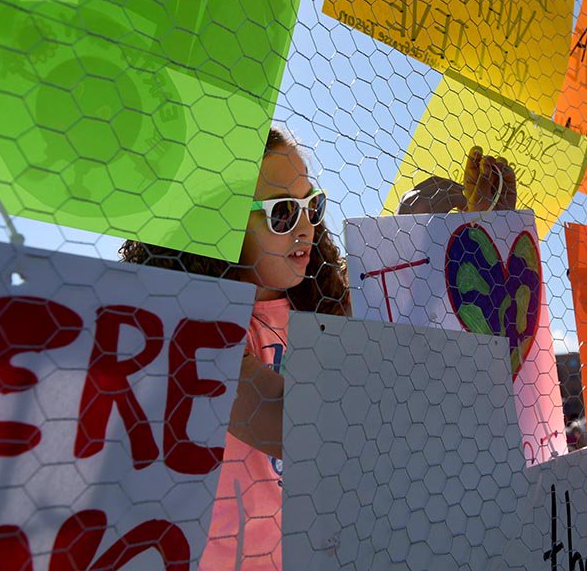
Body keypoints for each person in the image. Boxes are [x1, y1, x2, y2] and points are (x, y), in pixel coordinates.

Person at [120, 127, 516, 570]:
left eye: (313, 205)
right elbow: (304, 427)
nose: (307, 225)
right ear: (218, 220)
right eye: (283, 213)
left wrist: (461, 236)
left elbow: (410, 349)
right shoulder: (191, 326)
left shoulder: (321, 307)